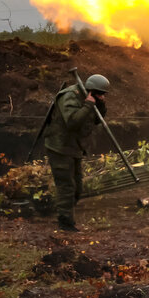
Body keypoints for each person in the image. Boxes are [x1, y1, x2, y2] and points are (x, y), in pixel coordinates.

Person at [44, 74, 110, 232]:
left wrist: (100, 105)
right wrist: (88, 106)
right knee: (66, 186)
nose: (101, 96)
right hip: (59, 146)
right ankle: (65, 223)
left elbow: (95, 120)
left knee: (78, 187)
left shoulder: (89, 97)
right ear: (90, 90)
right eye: (99, 93)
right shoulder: (70, 96)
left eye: (103, 94)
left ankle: (65, 212)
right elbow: (72, 122)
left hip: (75, 147)